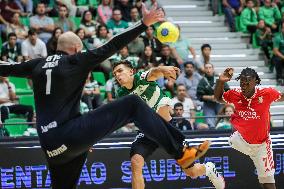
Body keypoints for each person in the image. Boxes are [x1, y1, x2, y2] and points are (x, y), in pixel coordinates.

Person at [0, 4, 210, 188]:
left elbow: (5, 67)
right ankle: (182, 153)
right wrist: (143, 23)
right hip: (69, 135)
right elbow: (112, 45)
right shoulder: (76, 61)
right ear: (75, 49)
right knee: (132, 104)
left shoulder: (36, 64)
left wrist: (86, 138)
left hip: (51, 146)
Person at [113, 61, 224, 189]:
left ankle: (208, 168)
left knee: (191, 172)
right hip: (146, 133)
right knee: (135, 162)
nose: (117, 75)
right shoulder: (121, 94)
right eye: (115, 73)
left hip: (167, 128)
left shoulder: (140, 78)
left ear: (131, 71)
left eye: (120, 71)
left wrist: (162, 69)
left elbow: (153, 72)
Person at [214, 67, 284, 189]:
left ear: (256, 82)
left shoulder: (267, 93)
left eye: (247, 83)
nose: (244, 86)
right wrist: (220, 82)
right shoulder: (235, 94)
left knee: (268, 184)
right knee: (231, 140)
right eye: (242, 83)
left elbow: (282, 96)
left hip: (261, 145)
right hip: (240, 140)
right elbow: (218, 98)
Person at [197, 63, 230, 128]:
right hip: (208, 104)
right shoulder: (202, 81)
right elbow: (199, 96)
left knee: (222, 121)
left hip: (220, 103)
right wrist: (210, 97)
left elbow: (228, 91)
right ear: (204, 70)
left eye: (210, 68)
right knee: (210, 123)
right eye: (206, 68)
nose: (208, 70)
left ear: (213, 69)